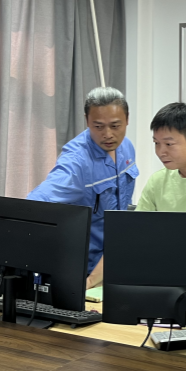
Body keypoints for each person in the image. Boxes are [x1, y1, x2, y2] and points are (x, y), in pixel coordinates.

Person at [28, 87, 137, 289]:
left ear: (127, 119)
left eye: (115, 126)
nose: (108, 134)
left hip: (114, 263)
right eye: (98, 126)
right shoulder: (76, 161)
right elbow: (34, 205)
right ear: (87, 120)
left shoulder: (127, 147)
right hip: (83, 273)